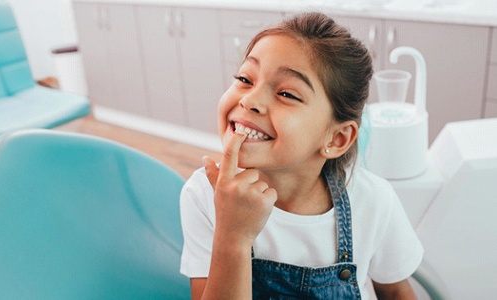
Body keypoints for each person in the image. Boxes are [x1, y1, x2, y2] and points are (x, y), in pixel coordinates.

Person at [179, 12, 423, 299]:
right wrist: (233, 237)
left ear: (336, 138)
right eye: (245, 78)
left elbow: (395, 293)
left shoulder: (374, 201)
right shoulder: (204, 195)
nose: (249, 100)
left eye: (286, 94)